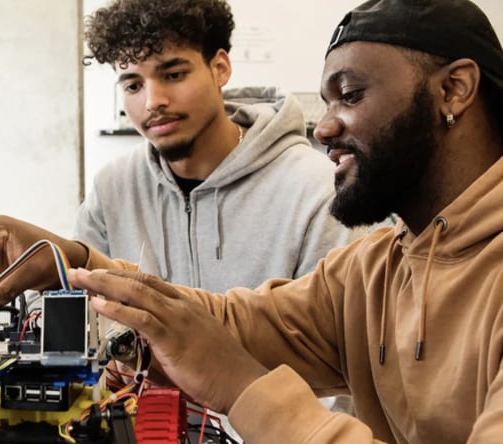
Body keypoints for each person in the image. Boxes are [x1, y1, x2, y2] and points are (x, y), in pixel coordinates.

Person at [0, 0, 503, 442]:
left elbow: (232, 360)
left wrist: (242, 388)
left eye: (349, 95)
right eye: (132, 83)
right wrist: (73, 264)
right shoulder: (376, 267)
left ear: (454, 88)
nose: (325, 128)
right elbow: (233, 325)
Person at [77, 0, 360, 293]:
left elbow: (336, 329)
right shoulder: (111, 189)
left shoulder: (317, 190)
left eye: (173, 75)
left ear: (220, 68)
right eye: (133, 86)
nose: (153, 101)